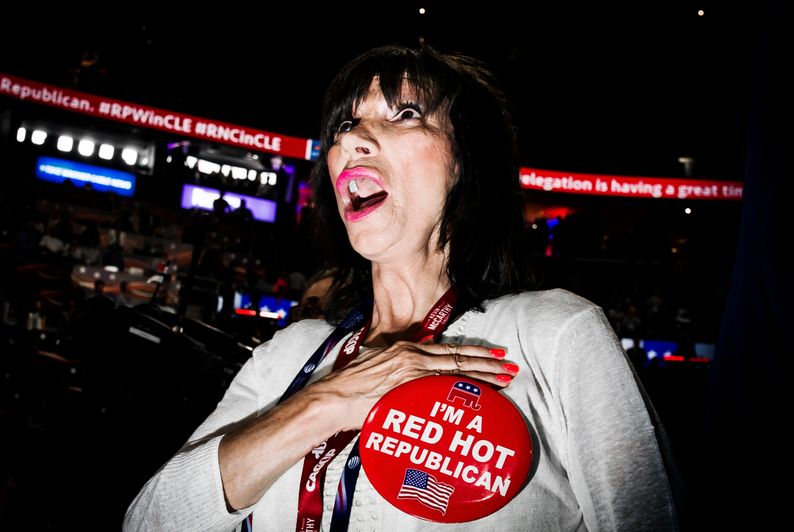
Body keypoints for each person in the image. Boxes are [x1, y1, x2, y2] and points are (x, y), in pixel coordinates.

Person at [125, 45, 677, 531]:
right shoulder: (287, 355)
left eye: (405, 114)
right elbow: (149, 521)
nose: (353, 139)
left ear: (467, 163)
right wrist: (321, 404)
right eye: (344, 125)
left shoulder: (554, 333)